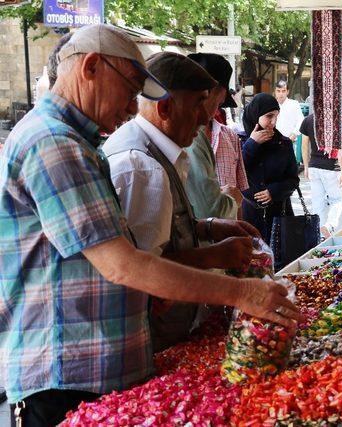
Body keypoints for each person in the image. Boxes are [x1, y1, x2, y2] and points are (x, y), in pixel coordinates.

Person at [0, 25, 301, 426]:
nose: (131, 107)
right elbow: (123, 264)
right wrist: (243, 292)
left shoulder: (76, 141)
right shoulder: (53, 142)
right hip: (68, 375)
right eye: (129, 90)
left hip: (91, 370)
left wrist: (209, 231)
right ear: (91, 67)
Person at [102, 52, 262, 352]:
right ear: (164, 107)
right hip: (147, 341)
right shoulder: (140, 167)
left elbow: (159, 233)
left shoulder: (160, 151)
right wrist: (216, 257)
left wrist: (209, 228)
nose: (205, 117)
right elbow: (142, 271)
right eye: (199, 104)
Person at [185, 53, 245, 220]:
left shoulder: (230, 136)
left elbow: (238, 190)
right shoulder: (189, 137)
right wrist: (229, 199)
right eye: (217, 105)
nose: (207, 117)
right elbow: (209, 209)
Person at [240, 93, 300, 242]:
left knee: (281, 260)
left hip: (280, 215)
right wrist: (252, 144)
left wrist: (273, 191)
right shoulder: (240, 141)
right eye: (269, 116)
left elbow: (293, 179)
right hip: (249, 216)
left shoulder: (283, 143)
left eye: (276, 116)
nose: (273, 122)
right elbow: (236, 172)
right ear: (256, 115)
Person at [300, 113, 342, 237]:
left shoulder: (309, 119)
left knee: (317, 203)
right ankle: (330, 225)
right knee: (337, 200)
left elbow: (304, 145)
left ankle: (319, 235)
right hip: (331, 167)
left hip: (314, 167)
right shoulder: (338, 119)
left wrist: (306, 166)